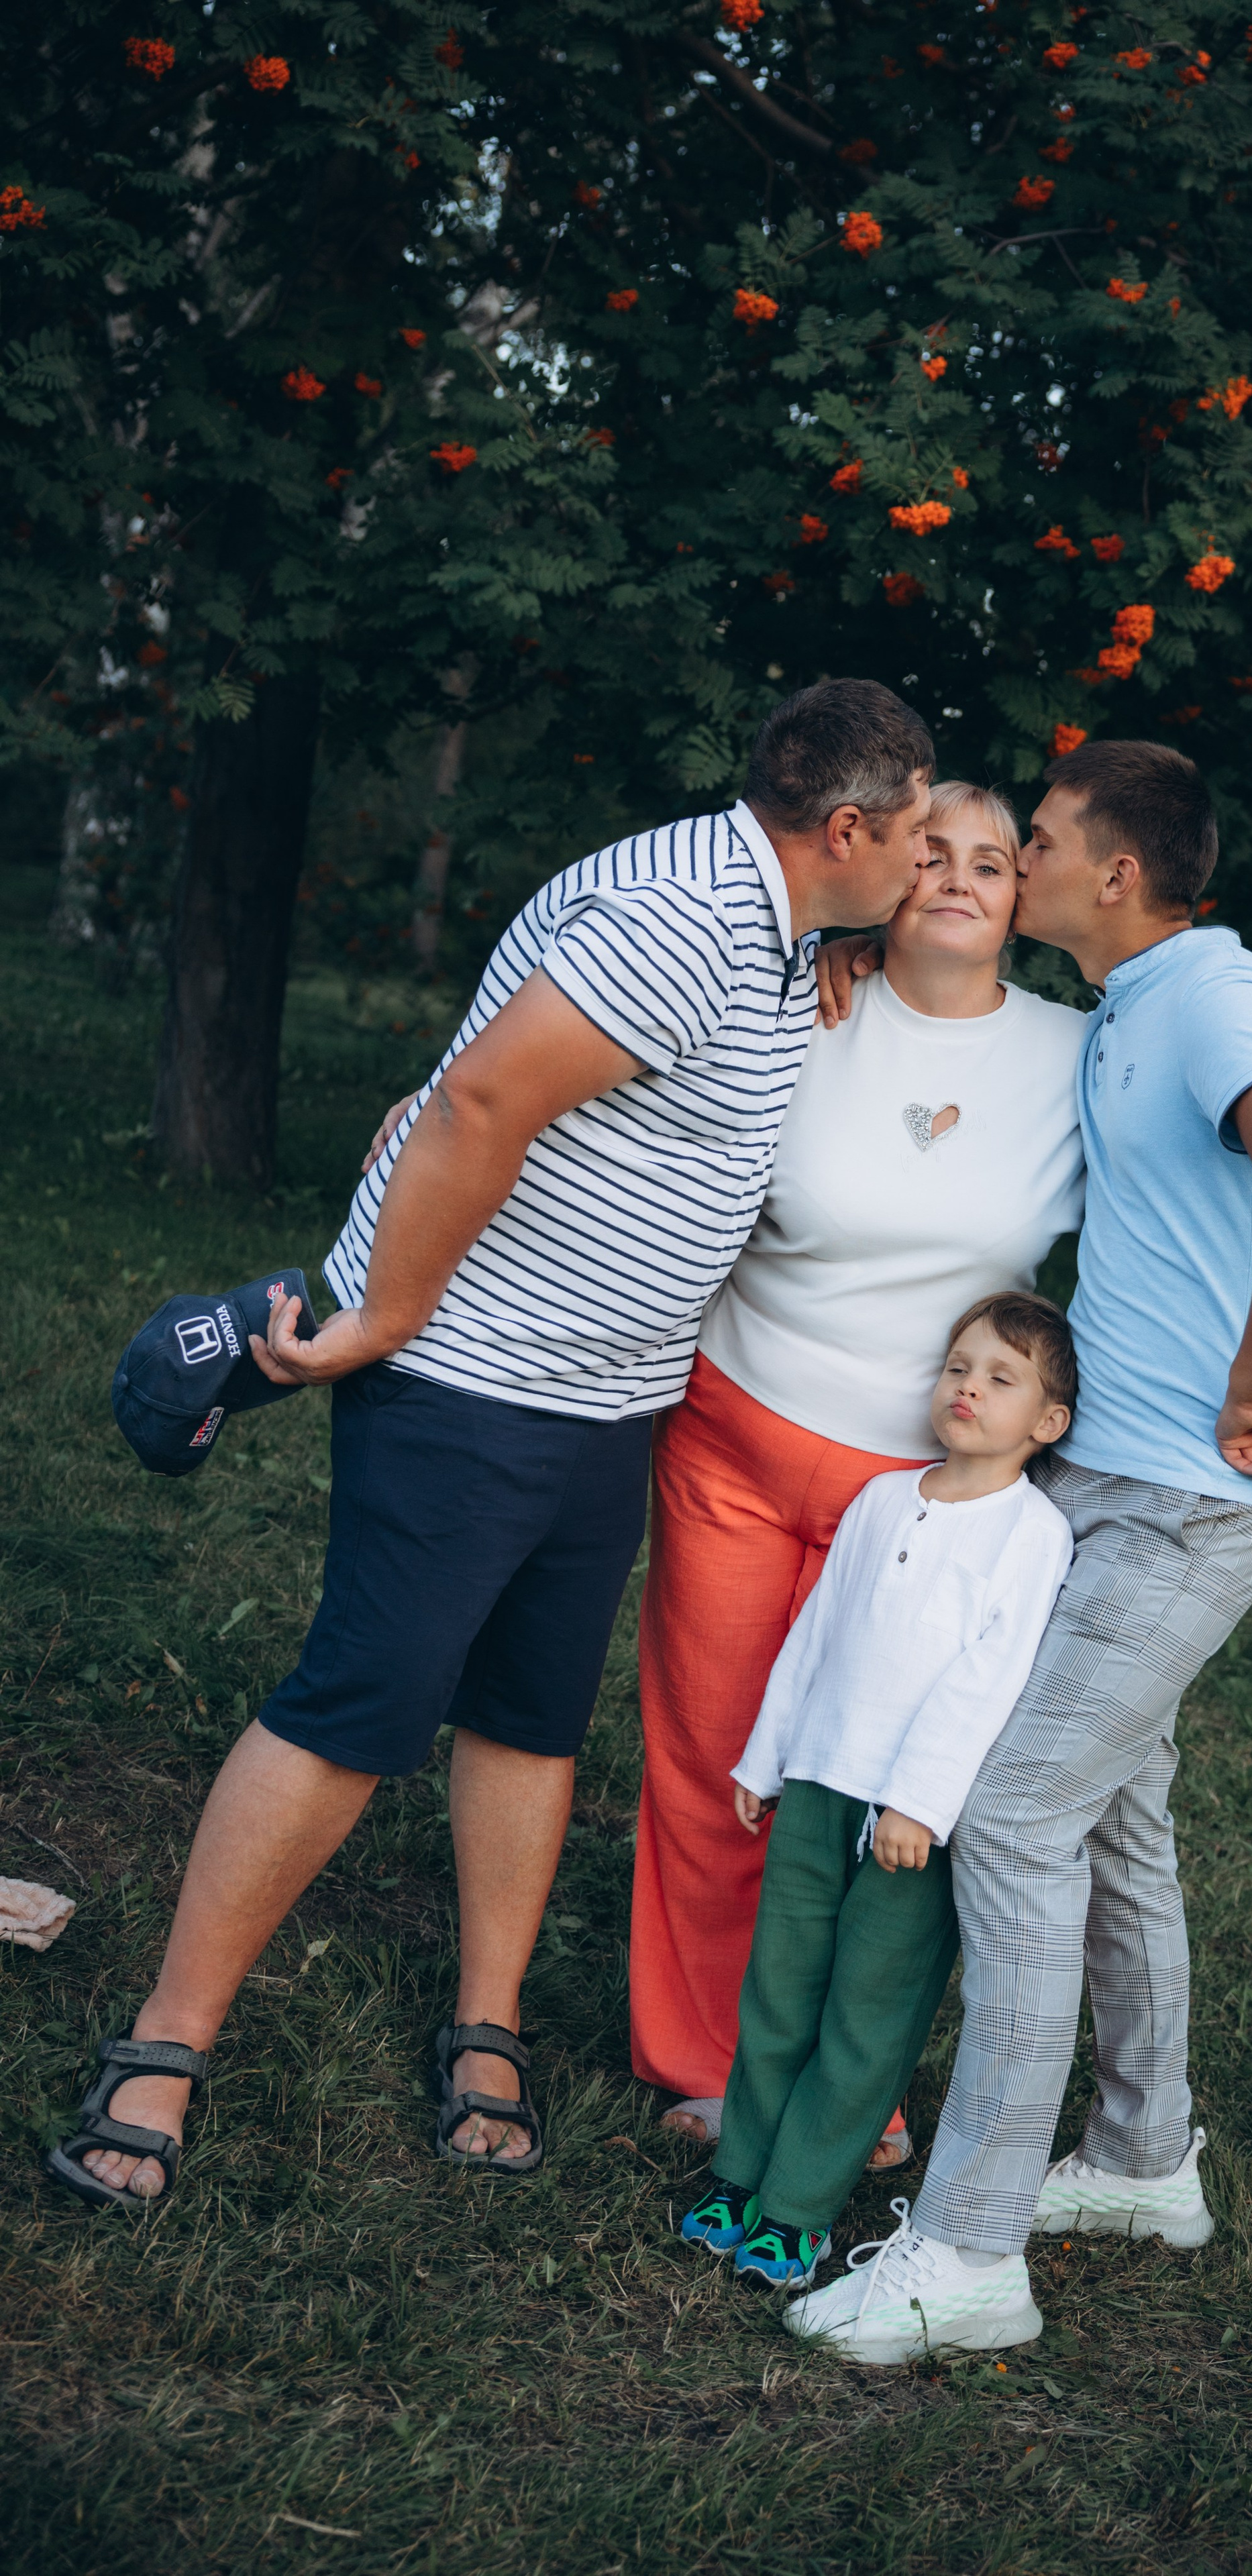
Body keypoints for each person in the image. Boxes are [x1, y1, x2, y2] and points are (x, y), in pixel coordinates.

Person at [49, 679, 934, 2212]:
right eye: (915, 828)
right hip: (474, 1382)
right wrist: (388, 1317)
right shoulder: (681, 917)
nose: (929, 858)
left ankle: (487, 2021)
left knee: (527, 1718)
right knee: (358, 1706)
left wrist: (846, 953)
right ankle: (161, 2043)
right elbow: (471, 1106)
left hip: (608, 1400)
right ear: (844, 826)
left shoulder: (776, 921)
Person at [784, 737, 1252, 2361]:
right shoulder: (1131, 1006)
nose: (1010, 857)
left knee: (1018, 1808)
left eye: (1032, 839)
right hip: (1110, 1482)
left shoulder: (1208, 996)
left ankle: (967, 2251)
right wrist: (844, 951)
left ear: (1113, 874)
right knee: (1114, 1814)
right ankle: (1136, 2157)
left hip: (1192, 1495)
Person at [631, 783, 1087, 2157]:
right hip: (734, 1434)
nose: (955, 877)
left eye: (991, 861)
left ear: (1024, 898)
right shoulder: (792, 1001)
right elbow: (602, 1077)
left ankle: (843, 2082)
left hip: (923, 1499)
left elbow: (1207, 1210)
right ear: (884, 876)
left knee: (873, 1791)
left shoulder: (1082, 1054)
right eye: (929, 851)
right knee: (717, 1759)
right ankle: (701, 2063)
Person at [677, 1293, 1076, 2289]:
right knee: (781, 1990)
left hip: (908, 1823)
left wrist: (919, 1802)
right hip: (819, 1783)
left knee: (867, 2012)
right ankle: (742, 2173)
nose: (968, 1388)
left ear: (1047, 1422)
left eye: (1000, 1377)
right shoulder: (881, 1500)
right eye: (957, 1367)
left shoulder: (1030, 1534)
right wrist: (767, 1759)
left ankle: (799, 2206)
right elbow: (815, 1636)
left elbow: (990, 1678)